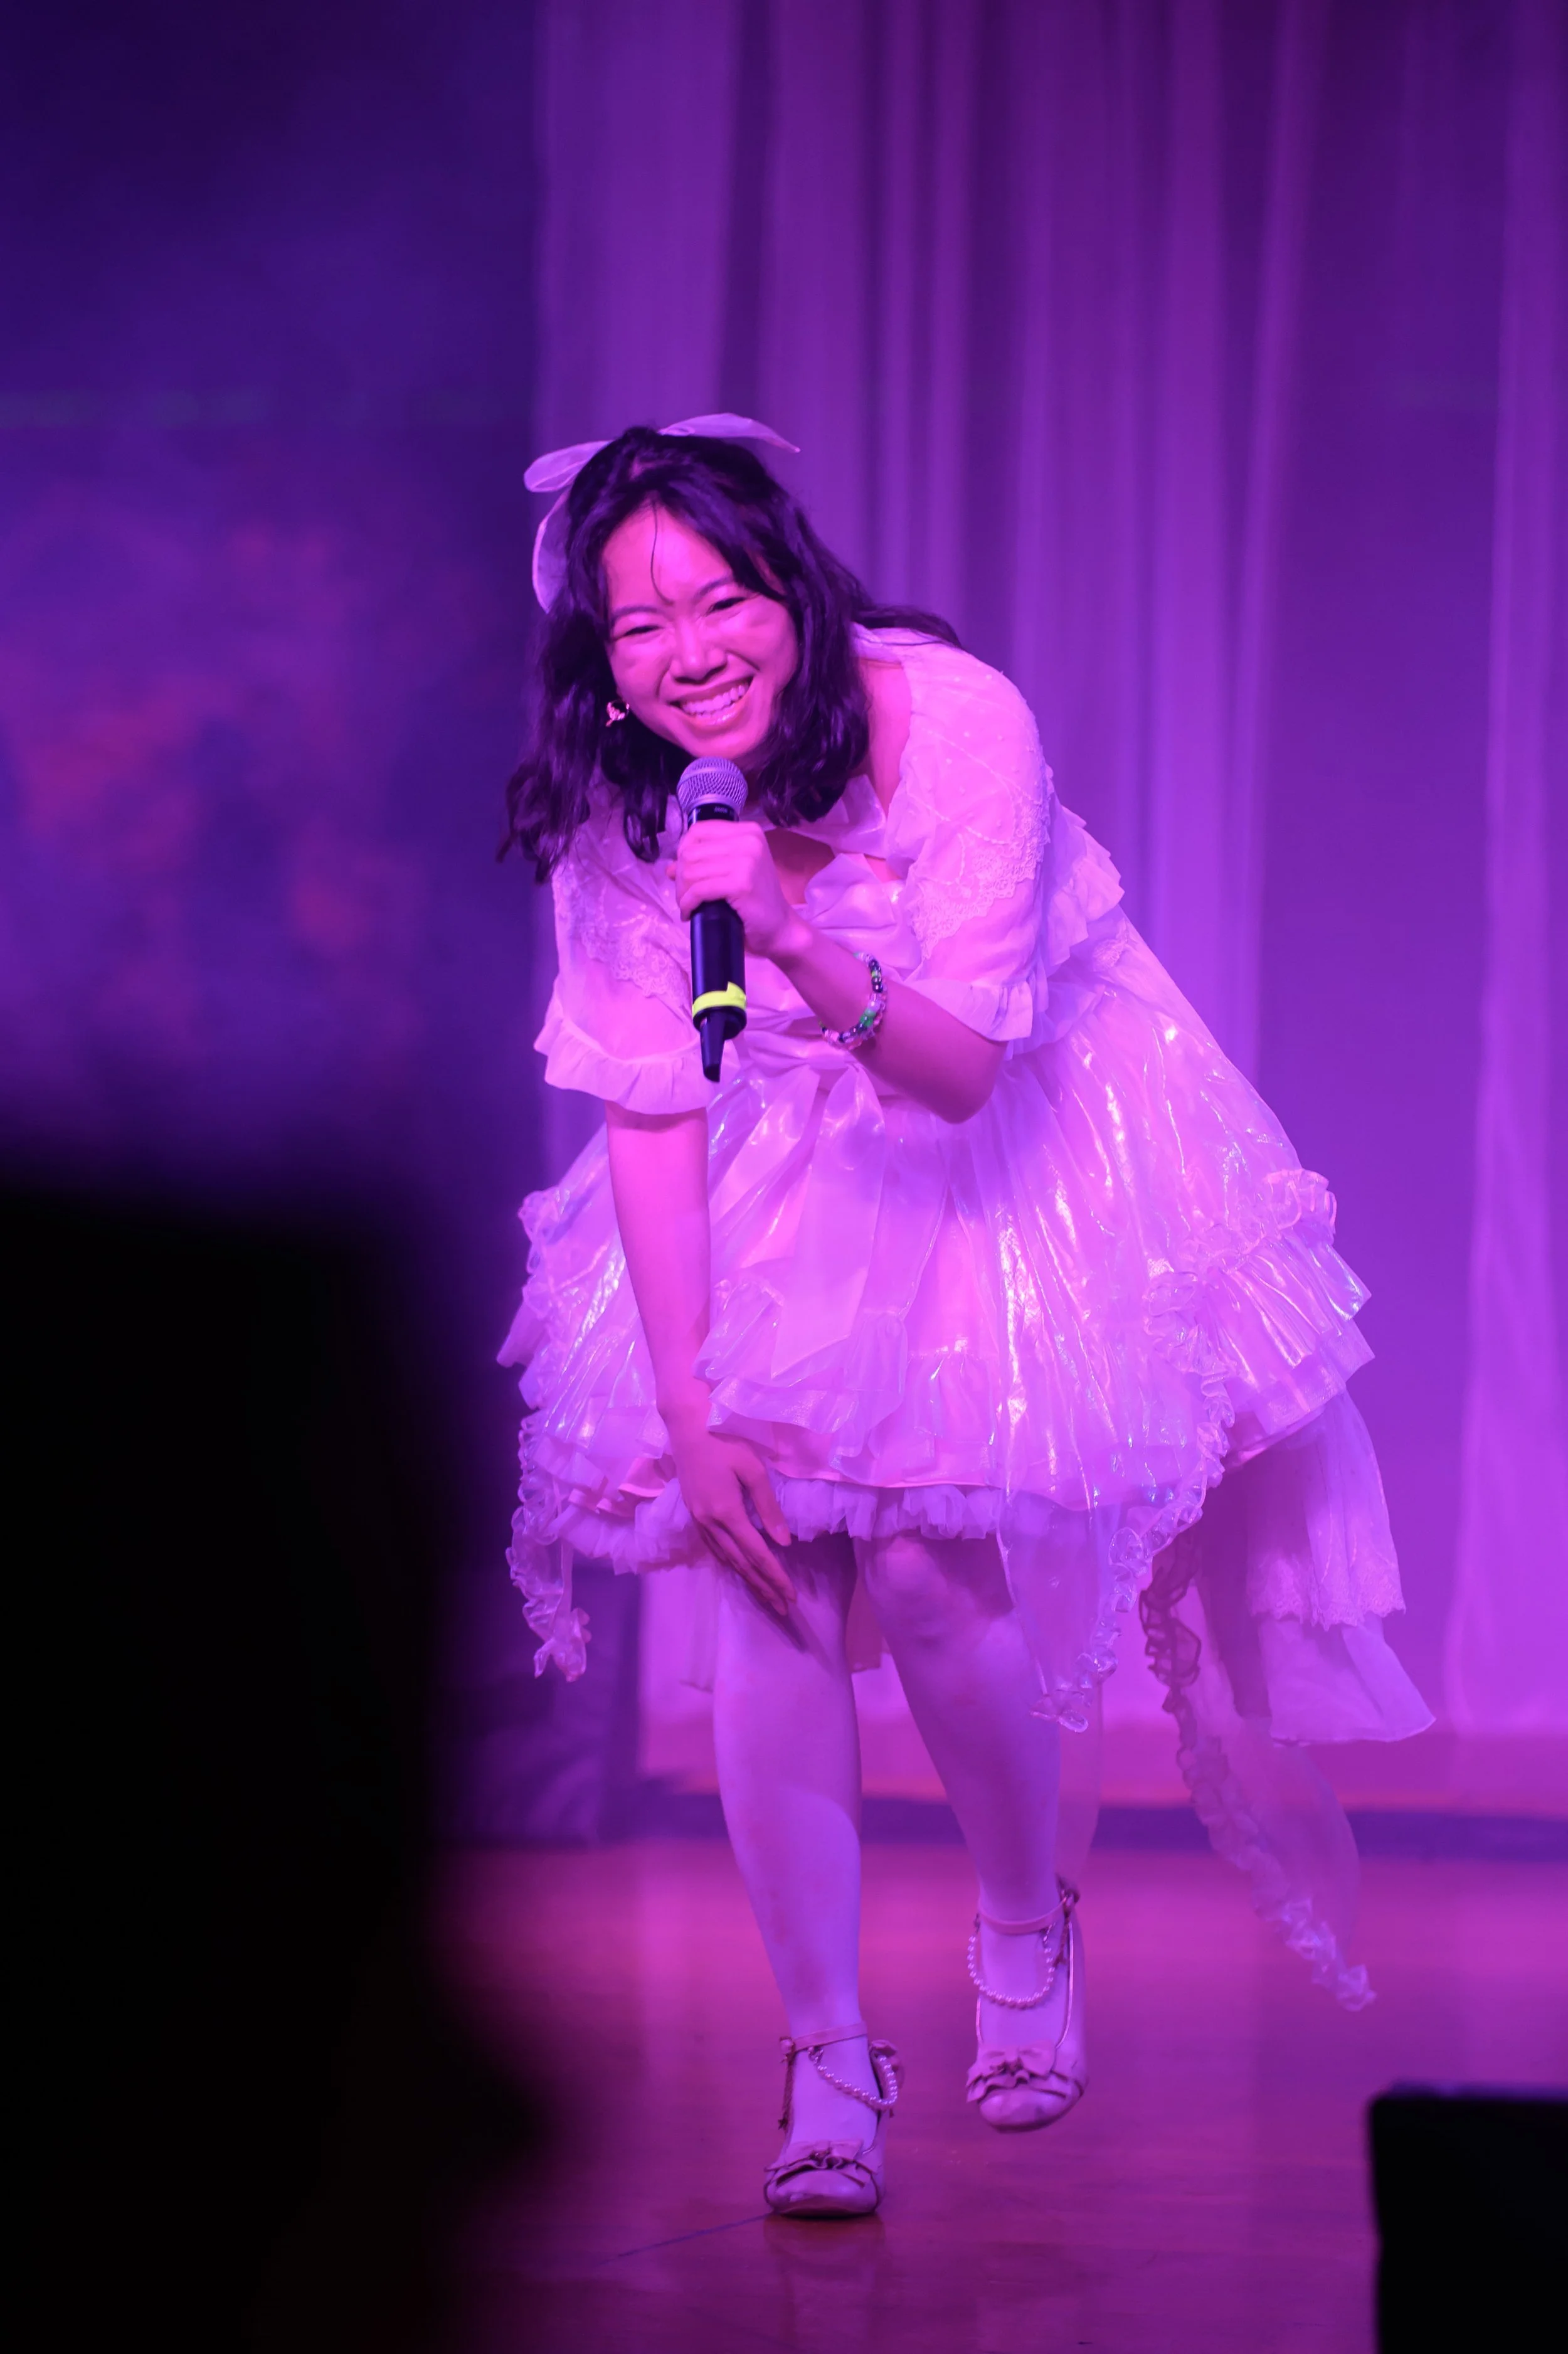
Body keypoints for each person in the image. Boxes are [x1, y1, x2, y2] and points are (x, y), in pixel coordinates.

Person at [499, 418, 1430, 2220]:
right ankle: (827, 2058)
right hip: (778, 1164)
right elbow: (646, 1108)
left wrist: (780, 922)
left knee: (928, 1570)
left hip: (1000, 1130)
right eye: (637, 626)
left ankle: (1025, 1921)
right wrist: (693, 1410)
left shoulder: (948, 719)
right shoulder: (622, 816)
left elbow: (958, 1071)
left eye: (722, 598)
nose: (689, 650)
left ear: (795, 587)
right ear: (598, 667)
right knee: (763, 1569)